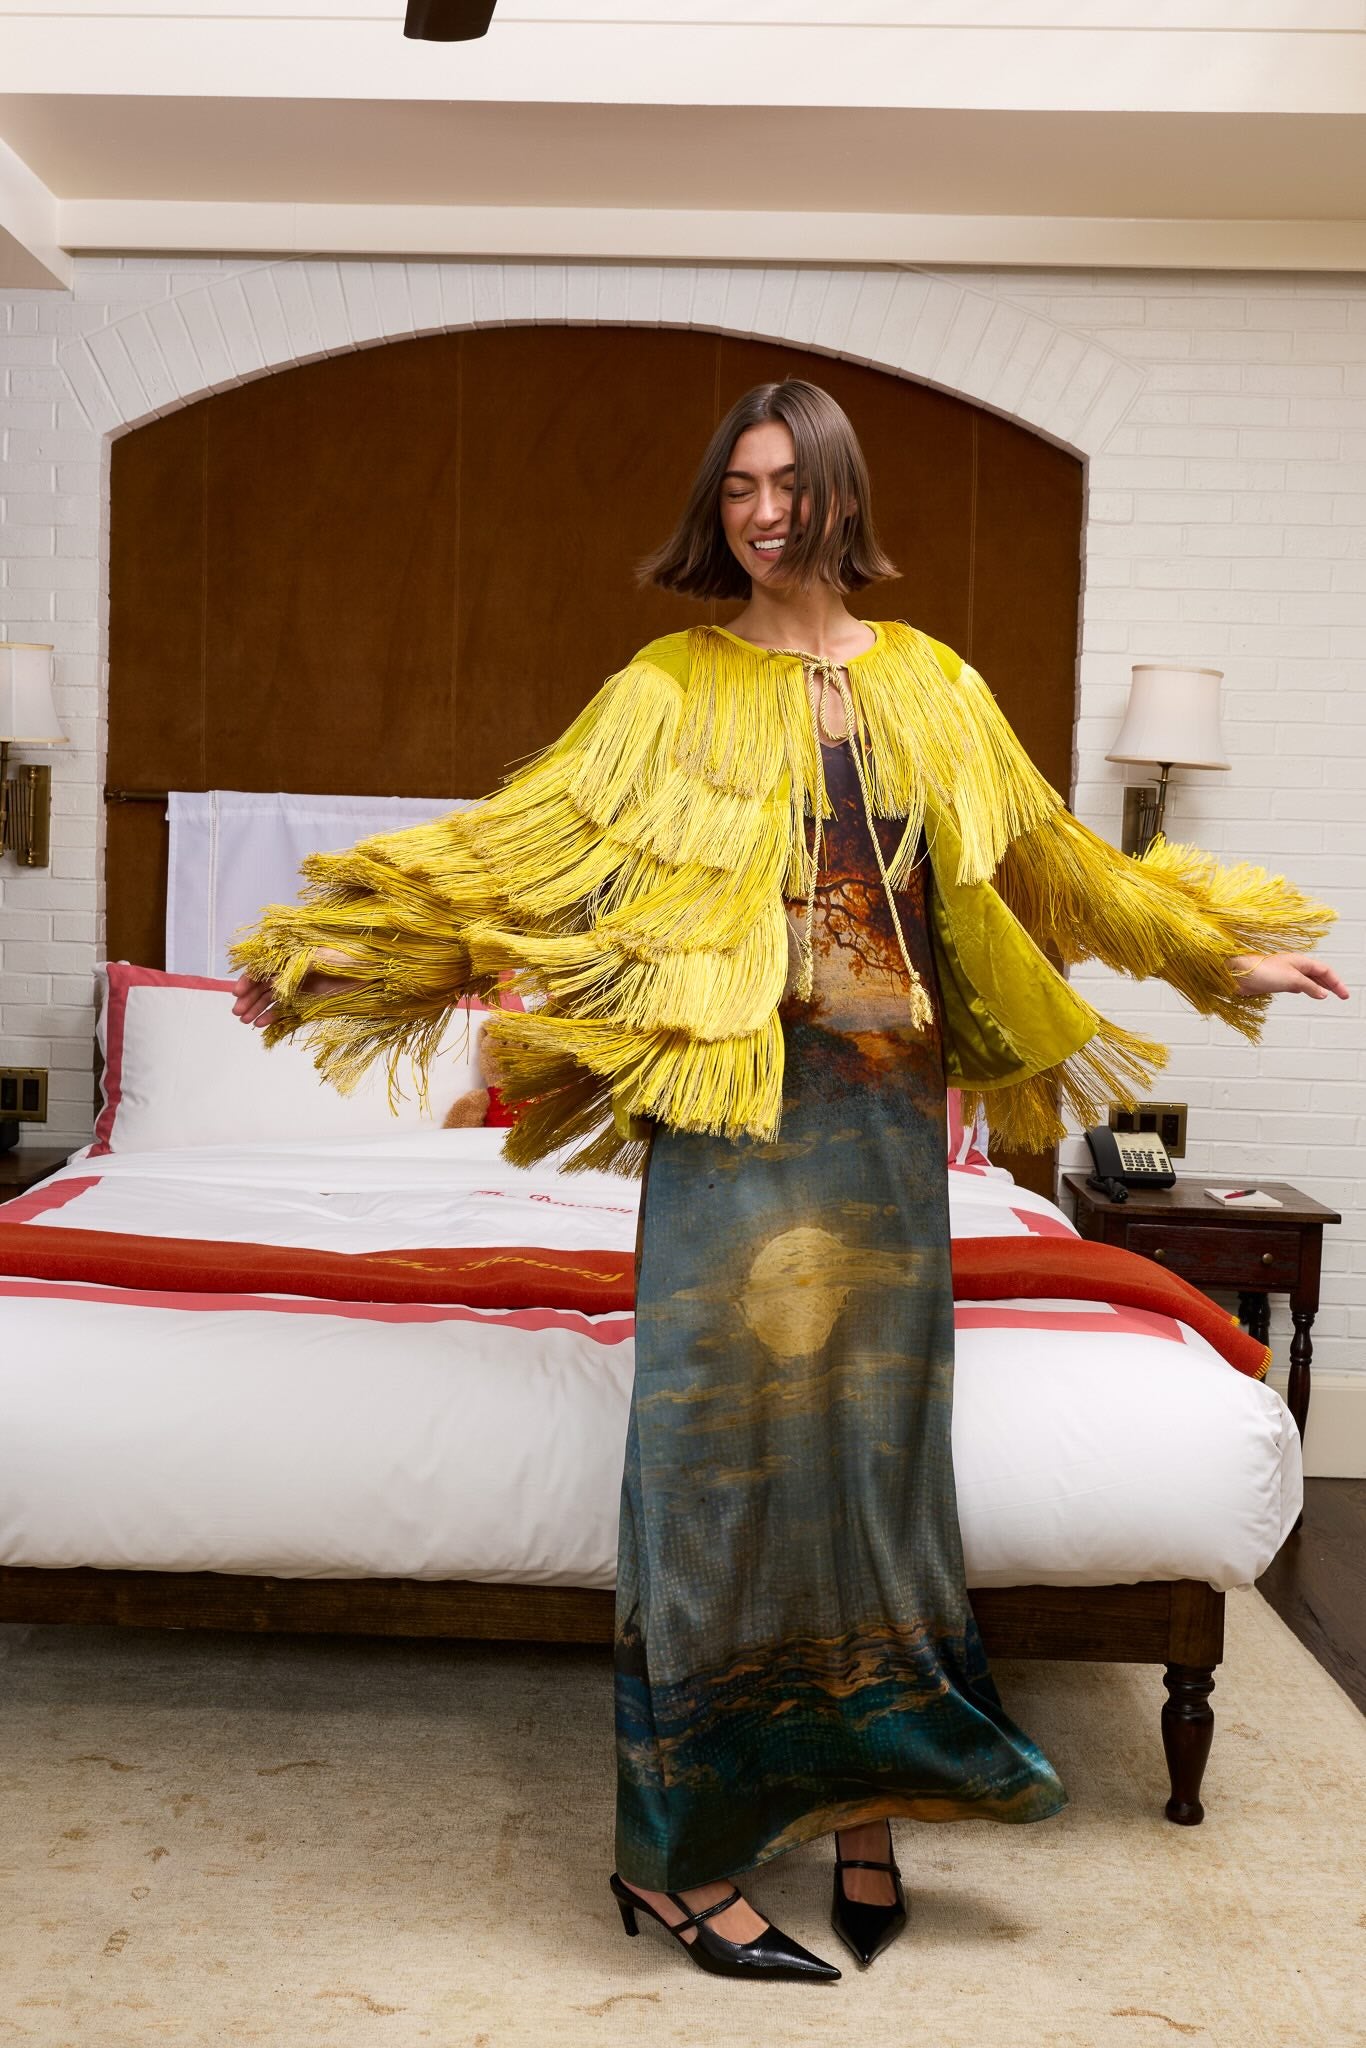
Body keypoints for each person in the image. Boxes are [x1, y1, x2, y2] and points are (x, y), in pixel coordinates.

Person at [229, 379, 1346, 1983]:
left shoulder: (934, 684)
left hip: (882, 1120)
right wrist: (345, 957)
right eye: (738, 487)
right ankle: (677, 1860)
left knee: (873, 1464)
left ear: (837, 497)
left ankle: (864, 1811)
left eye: (787, 484)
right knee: (714, 1463)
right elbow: (518, 858)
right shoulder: (665, 687)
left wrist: (1217, 952)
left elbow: (1048, 863)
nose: (762, 512)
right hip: (729, 1111)